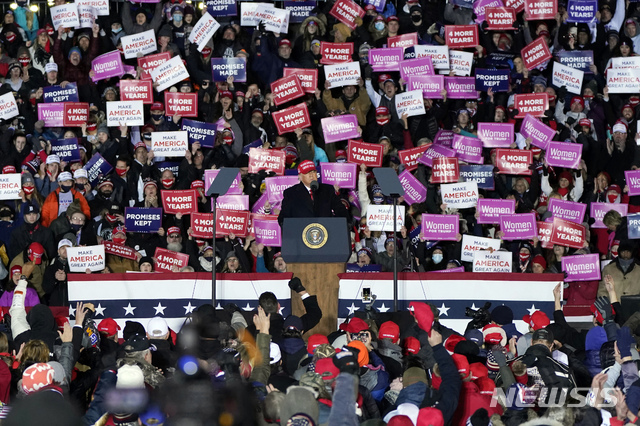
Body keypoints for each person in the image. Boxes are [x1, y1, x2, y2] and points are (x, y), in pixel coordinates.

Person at [278, 160, 348, 226]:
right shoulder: (290, 193)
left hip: (326, 232)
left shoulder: (328, 190)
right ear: (300, 177)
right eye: (307, 172)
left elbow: (340, 210)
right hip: (301, 233)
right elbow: (283, 218)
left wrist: (347, 224)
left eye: (313, 171)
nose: (311, 175)